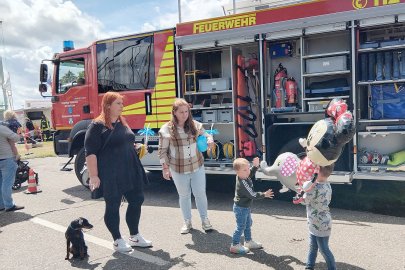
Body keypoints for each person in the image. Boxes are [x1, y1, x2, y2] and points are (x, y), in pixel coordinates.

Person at [84, 91, 152, 252]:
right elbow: (90, 152)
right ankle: (117, 239)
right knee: (113, 205)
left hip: (130, 169)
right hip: (111, 173)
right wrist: (94, 176)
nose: (122, 106)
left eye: (122, 103)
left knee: (137, 199)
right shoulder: (96, 126)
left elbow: (126, 142)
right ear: (108, 105)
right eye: (118, 103)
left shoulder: (122, 122)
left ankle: (134, 236)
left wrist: (138, 147)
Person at [158, 98, 214, 234]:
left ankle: (204, 219)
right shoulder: (166, 129)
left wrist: (209, 139)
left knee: (200, 193)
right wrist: (165, 169)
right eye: (181, 112)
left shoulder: (195, 125)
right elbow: (162, 151)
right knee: (184, 196)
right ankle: (187, 222)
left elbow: (206, 134)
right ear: (174, 112)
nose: (185, 114)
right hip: (178, 168)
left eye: (187, 111)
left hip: (197, 165)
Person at [231, 157, 274, 254]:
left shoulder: (243, 176)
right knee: (241, 226)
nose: (248, 171)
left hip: (245, 207)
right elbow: (252, 195)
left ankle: (248, 241)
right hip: (241, 208)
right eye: (245, 170)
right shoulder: (242, 183)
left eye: (248, 168)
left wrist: (255, 167)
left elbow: (250, 173)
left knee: (248, 224)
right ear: (237, 171)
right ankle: (234, 245)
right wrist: (264, 194)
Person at [303, 164, 336, 270]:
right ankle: (309, 266)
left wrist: (305, 190)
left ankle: (332, 268)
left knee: (323, 249)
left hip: (319, 224)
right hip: (318, 222)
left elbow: (304, 200)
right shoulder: (327, 185)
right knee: (314, 246)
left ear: (318, 172)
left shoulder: (314, 189)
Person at [0, 123, 24, 212]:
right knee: (7, 183)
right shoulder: (2, 128)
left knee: (1, 183)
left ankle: (1, 205)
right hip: (6, 158)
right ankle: (9, 205)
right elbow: (16, 138)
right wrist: (19, 133)